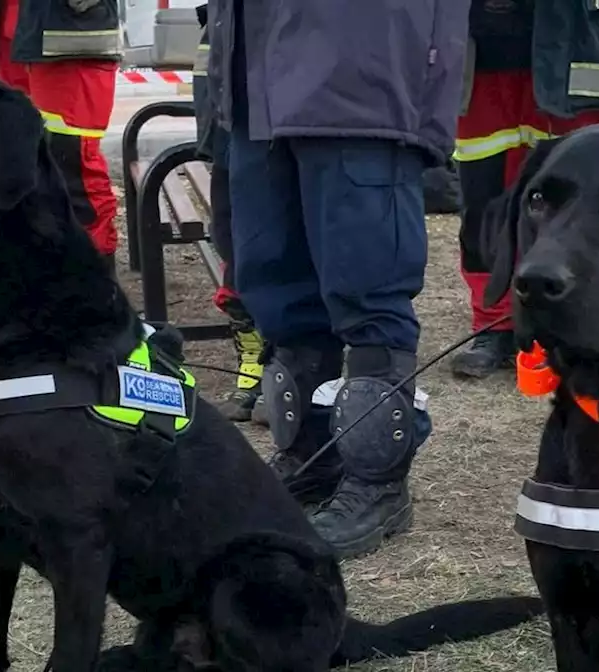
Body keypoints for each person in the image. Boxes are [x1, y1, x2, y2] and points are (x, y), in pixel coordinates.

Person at [206, 0, 469, 557]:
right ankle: (310, 455)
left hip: (361, 68)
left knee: (368, 285)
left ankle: (379, 481)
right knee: (276, 284)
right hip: (254, 67)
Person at [450, 0, 599, 379]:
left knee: (578, 205)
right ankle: (494, 325)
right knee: (483, 198)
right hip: (481, 50)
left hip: (576, 45)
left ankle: (577, 322)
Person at [0, 0, 121, 261]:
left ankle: (96, 284)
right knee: (18, 169)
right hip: (18, 37)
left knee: (72, 170)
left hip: (69, 37)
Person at [191, 6, 266, 422]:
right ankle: (256, 360)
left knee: (272, 243)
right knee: (232, 235)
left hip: (280, 113)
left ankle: (284, 364)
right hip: (229, 124)